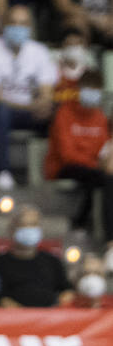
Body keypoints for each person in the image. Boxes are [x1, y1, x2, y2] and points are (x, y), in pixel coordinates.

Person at [0, 6, 56, 188]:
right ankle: (1, 172)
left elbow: (47, 93)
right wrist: (31, 107)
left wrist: (42, 105)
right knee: (1, 111)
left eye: (23, 23)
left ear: (30, 27)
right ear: (4, 25)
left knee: (57, 111)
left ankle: (53, 172)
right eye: (13, 23)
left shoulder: (39, 51)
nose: (18, 28)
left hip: (28, 115)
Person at [44, 70, 113, 239]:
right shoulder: (64, 113)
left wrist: (105, 162)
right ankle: (100, 232)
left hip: (93, 168)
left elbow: (106, 147)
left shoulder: (100, 117)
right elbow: (66, 155)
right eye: (89, 88)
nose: (92, 93)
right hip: (63, 167)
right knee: (102, 178)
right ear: (80, 89)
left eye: (96, 89)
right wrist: (98, 165)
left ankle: (84, 222)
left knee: (101, 177)